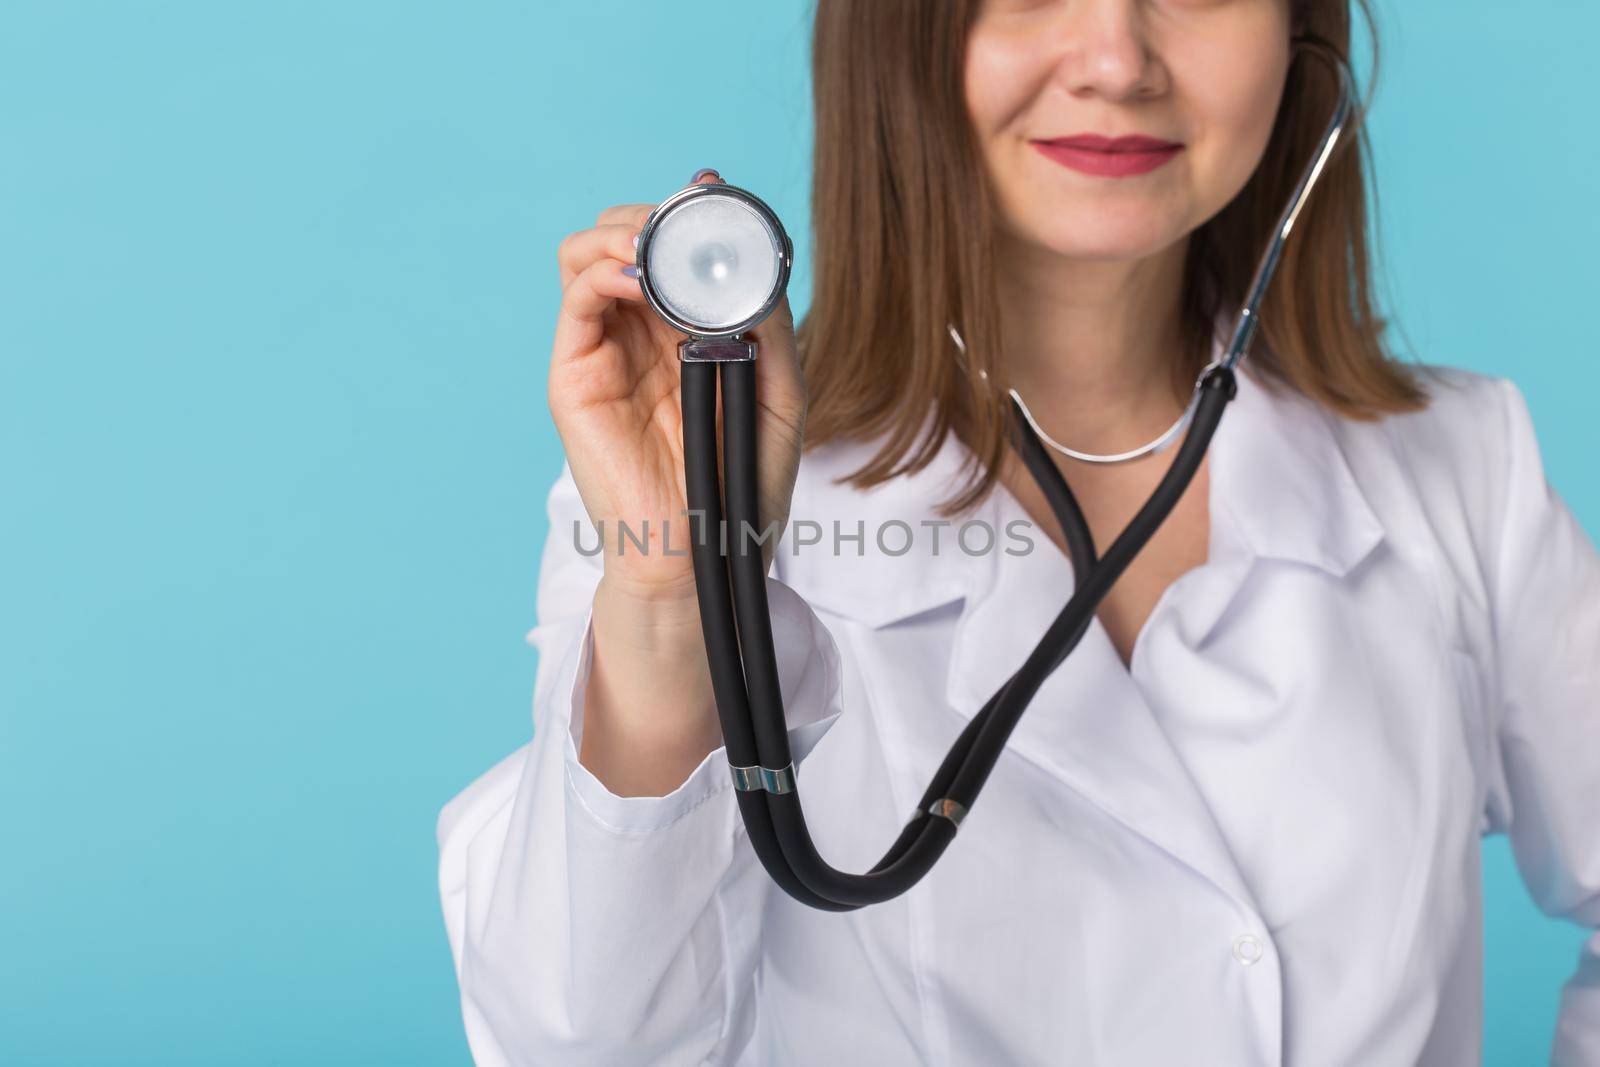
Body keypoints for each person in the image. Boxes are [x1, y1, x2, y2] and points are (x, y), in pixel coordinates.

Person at [436, 1, 1600, 1063]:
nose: (1114, 62)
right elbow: (573, 1042)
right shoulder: (692, 493)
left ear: (1301, 39)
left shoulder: (1460, 467)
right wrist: (675, 603)